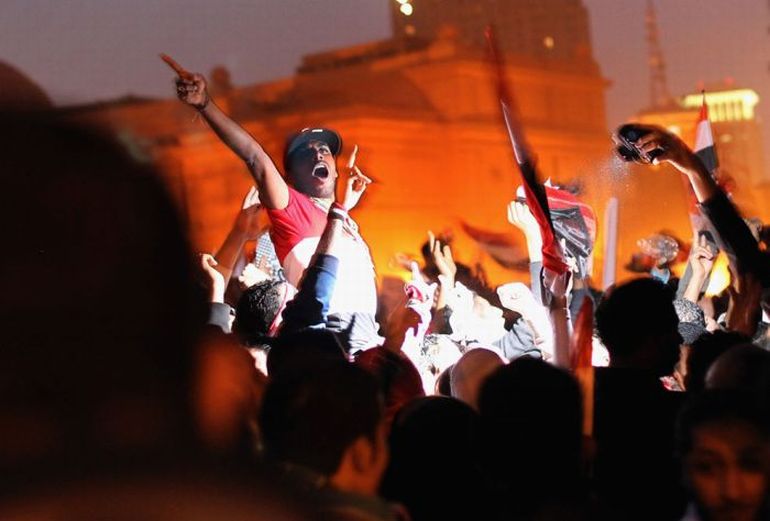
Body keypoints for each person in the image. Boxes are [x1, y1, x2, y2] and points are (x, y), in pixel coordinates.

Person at [173, 65, 378, 351]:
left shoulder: (346, 222)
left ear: (335, 170)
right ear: (290, 177)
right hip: (333, 334)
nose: (318, 154)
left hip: (369, 334)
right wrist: (206, 104)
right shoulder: (292, 210)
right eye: (305, 152)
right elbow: (254, 157)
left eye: (324, 150)